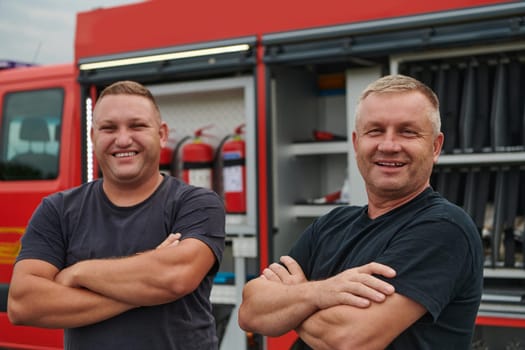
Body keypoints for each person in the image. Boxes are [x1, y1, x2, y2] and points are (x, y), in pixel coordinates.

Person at [238, 74, 484, 349]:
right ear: (356, 143)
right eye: (375, 131)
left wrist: (292, 299)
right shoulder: (331, 224)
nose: (389, 146)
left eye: (408, 131)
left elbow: (347, 338)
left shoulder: (444, 228)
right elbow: (250, 310)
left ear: (435, 146)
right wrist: (320, 293)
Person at [8, 80, 226, 350]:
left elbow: (175, 277)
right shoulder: (57, 210)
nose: (123, 139)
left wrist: (78, 273)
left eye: (137, 126)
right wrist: (147, 287)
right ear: (93, 137)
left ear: (162, 134)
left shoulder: (197, 203)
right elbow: (22, 303)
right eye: (109, 128)